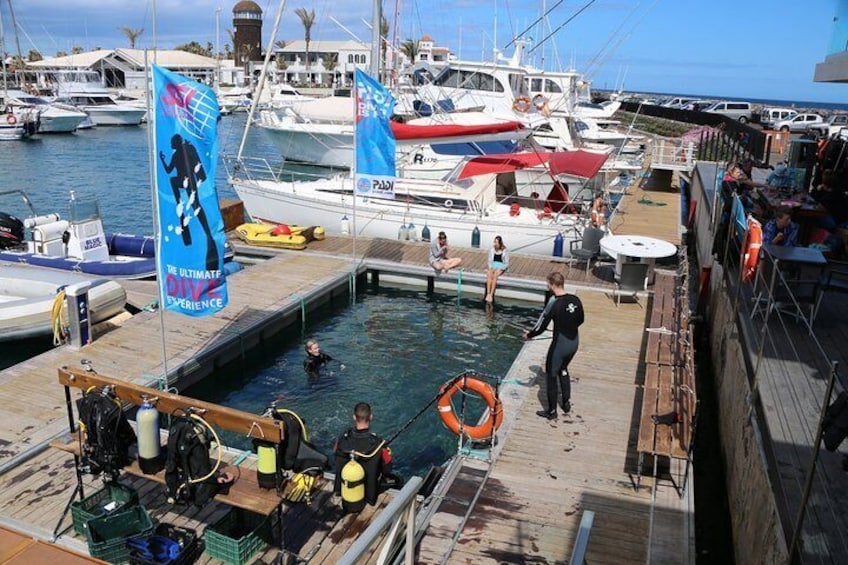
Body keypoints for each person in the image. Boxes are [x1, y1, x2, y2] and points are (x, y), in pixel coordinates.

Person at [524, 272, 585, 420]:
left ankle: (551, 412)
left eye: (548, 284)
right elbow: (581, 319)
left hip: (560, 345)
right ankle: (565, 403)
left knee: (551, 376)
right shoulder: (575, 299)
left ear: (552, 285)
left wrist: (528, 335)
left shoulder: (555, 304)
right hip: (573, 343)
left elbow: (542, 327)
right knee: (563, 370)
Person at [333, 402, 398, 513]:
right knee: (398, 480)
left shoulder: (342, 439)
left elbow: (335, 452)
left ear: (354, 417)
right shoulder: (378, 443)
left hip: (345, 490)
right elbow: (388, 468)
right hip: (369, 494)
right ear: (371, 417)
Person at [485, 236, 509, 303]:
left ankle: (491, 294)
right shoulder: (492, 250)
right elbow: (489, 261)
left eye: (496, 242)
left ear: (500, 243)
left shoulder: (505, 250)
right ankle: (488, 293)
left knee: (495, 275)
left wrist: (501, 268)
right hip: (493, 265)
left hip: (501, 265)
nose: (495, 243)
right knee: (489, 274)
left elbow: (506, 263)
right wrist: (491, 267)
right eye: (494, 242)